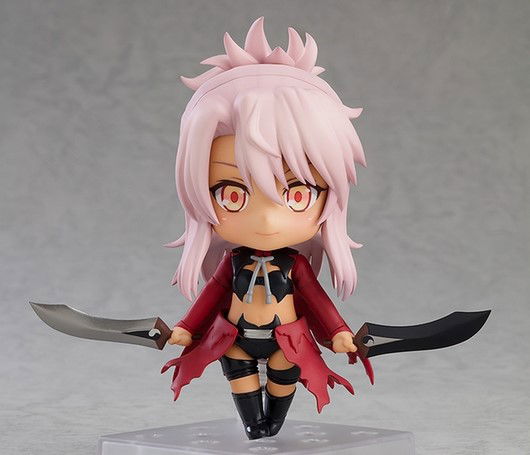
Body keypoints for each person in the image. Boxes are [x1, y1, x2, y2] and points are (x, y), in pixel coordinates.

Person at [161, 17, 373, 440]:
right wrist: (185, 328)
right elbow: (209, 299)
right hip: (234, 339)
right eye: (232, 194)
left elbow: (317, 302)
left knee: (281, 383)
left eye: (298, 194)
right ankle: (255, 427)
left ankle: (271, 425)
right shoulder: (232, 264)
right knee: (241, 383)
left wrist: (338, 333)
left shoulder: (295, 267)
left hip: (287, 341)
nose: (267, 219)